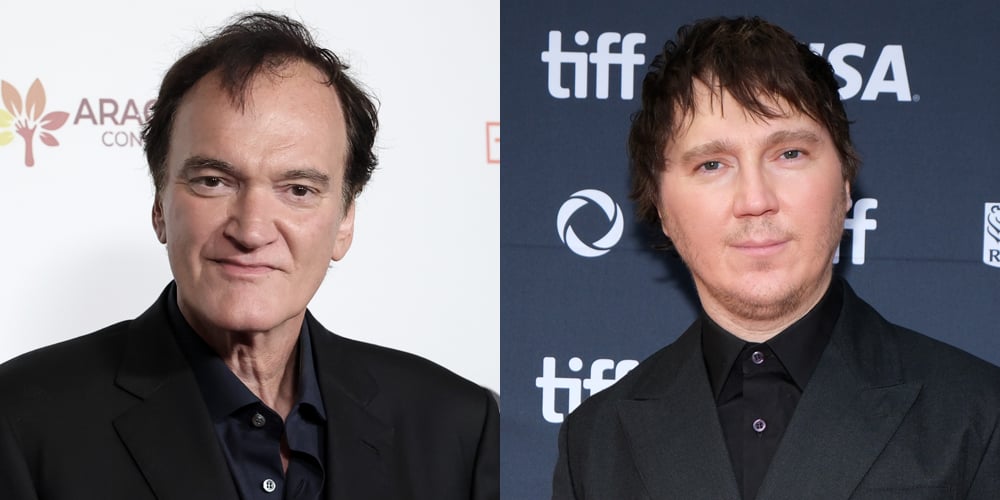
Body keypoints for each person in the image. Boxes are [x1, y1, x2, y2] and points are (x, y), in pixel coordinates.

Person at [0, 12, 498, 500]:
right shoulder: (19, 422)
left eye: (298, 189)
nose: (252, 230)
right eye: (213, 181)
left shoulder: (458, 427)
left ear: (345, 220)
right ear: (159, 205)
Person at [552, 16, 1000, 499]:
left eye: (789, 154)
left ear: (845, 183)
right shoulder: (595, 442)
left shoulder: (978, 417)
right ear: (660, 207)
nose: (755, 199)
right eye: (712, 164)